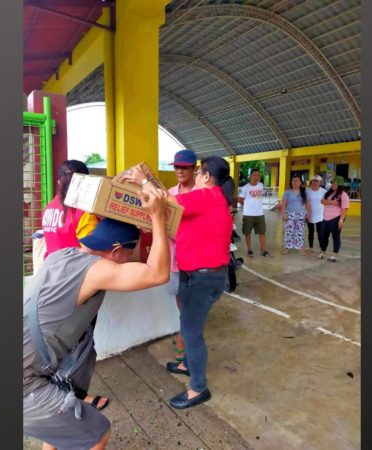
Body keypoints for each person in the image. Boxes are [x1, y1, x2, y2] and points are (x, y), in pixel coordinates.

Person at [23, 187, 170, 450]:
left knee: (59, 430)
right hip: (25, 383)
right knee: (97, 434)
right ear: (116, 250)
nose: (133, 256)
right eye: (132, 250)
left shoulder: (60, 255)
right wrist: (157, 217)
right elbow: (157, 273)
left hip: (30, 366)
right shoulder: (98, 270)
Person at [124, 156, 234, 409]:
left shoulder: (207, 196)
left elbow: (163, 200)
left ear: (206, 176)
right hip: (196, 274)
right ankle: (187, 364)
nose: (194, 177)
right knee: (187, 324)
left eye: (197, 173)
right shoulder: (210, 199)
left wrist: (142, 181)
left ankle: (198, 388)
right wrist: (148, 182)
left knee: (192, 333)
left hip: (203, 278)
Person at [39, 159, 108, 416]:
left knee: (62, 344)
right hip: (79, 286)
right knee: (81, 345)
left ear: (59, 180)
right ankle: (76, 395)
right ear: (86, 183)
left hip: (51, 284)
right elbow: (95, 249)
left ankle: (59, 391)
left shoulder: (50, 208)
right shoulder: (83, 212)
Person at [167, 149, 197, 368]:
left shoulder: (201, 193)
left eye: (184, 167)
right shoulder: (170, 192)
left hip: (195, 258)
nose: (179, 170)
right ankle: (185, 337)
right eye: (176, 167)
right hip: (174, 259)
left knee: (191, 306)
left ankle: (184, 343)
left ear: (194, 169)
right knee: (181, 303)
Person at [41, 160, 99, 258]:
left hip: (50, 268)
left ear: (59, 181)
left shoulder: (48, 208)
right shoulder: (83, 210)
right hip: (74, 270)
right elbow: (92, 250)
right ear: (87, 182)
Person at [238, 168, 271, 257]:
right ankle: (249, 249)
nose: (256, 177)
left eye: (258, 175)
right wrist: (247, 206)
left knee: (262, 232)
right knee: (248, 232)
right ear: (250, 176)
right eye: (254, 175)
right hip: (248, 214)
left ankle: (263, 250)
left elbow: (259, 196)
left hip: (260, 213)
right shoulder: (245, 188)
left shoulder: (260, 185)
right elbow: (240, 199)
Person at [321, 176, 351, 262]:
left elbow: (344, 208)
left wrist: (341, 220)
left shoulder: (343, 195)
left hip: (336, 218)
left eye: (335, 184)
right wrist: (333, 202)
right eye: (332, 183)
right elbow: (322, 201)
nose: (333, 185)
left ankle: (334, 255)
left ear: (340, 185)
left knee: (336, 237)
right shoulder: (329, 193)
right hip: (325, 218)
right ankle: (323, 252)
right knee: (324, 236)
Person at [279, 175, 308, 255]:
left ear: (300, 182)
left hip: (301, 214)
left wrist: (307, 213)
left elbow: (307, 204)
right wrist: (283, 214)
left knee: (300, 231)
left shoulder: (304, 192)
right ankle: (286, 248)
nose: (295, 182)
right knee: (289, 231)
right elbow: (283, 204)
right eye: (293, 181)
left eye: (297, 181)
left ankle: (300, 249)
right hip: (290, 214)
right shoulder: (287, 192)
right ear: (291, 182)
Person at [305, 175, 328, 259]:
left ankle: (322, 249)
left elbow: (326, 202)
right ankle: (311, 248)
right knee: (310, 232)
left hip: (320, 215)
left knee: (320, 233)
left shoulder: (324, 191)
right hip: (310, 214)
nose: (315, 183)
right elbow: (306, 203)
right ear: (311, 182)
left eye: (317, 181)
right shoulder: (307, 191)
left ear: (320, 182)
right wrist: (307, 213)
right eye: (313, 181)